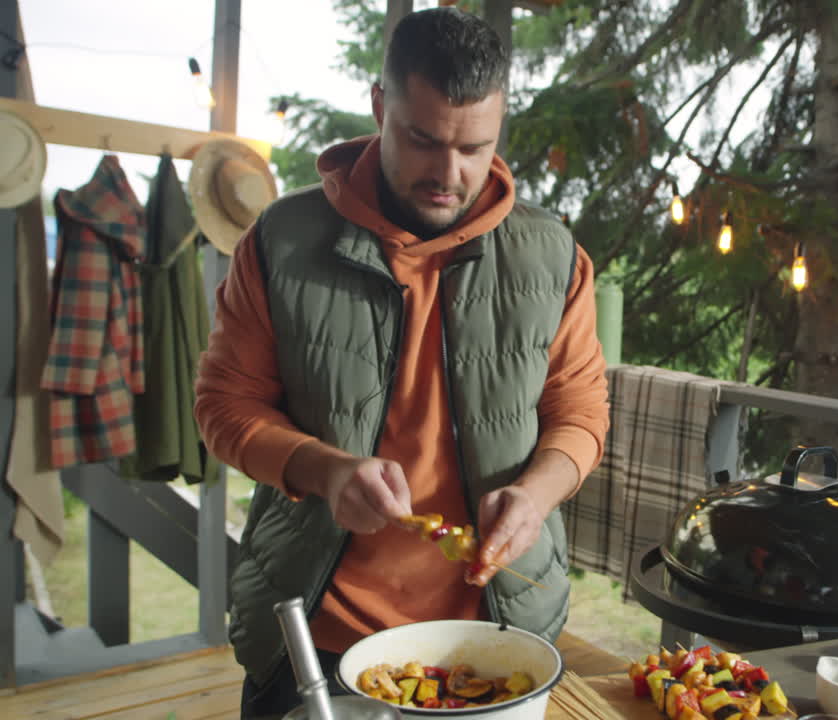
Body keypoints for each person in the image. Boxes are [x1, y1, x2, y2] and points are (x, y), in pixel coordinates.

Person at [193, 8, 609, 717]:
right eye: (423, 139)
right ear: (381, 106)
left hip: (494, 636)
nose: (450, 173)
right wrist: (325, 470)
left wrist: (537, 494)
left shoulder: (553, 256)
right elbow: (223, 408)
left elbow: (580, 411)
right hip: (313, 633)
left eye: (476, 147)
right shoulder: (280, 242)